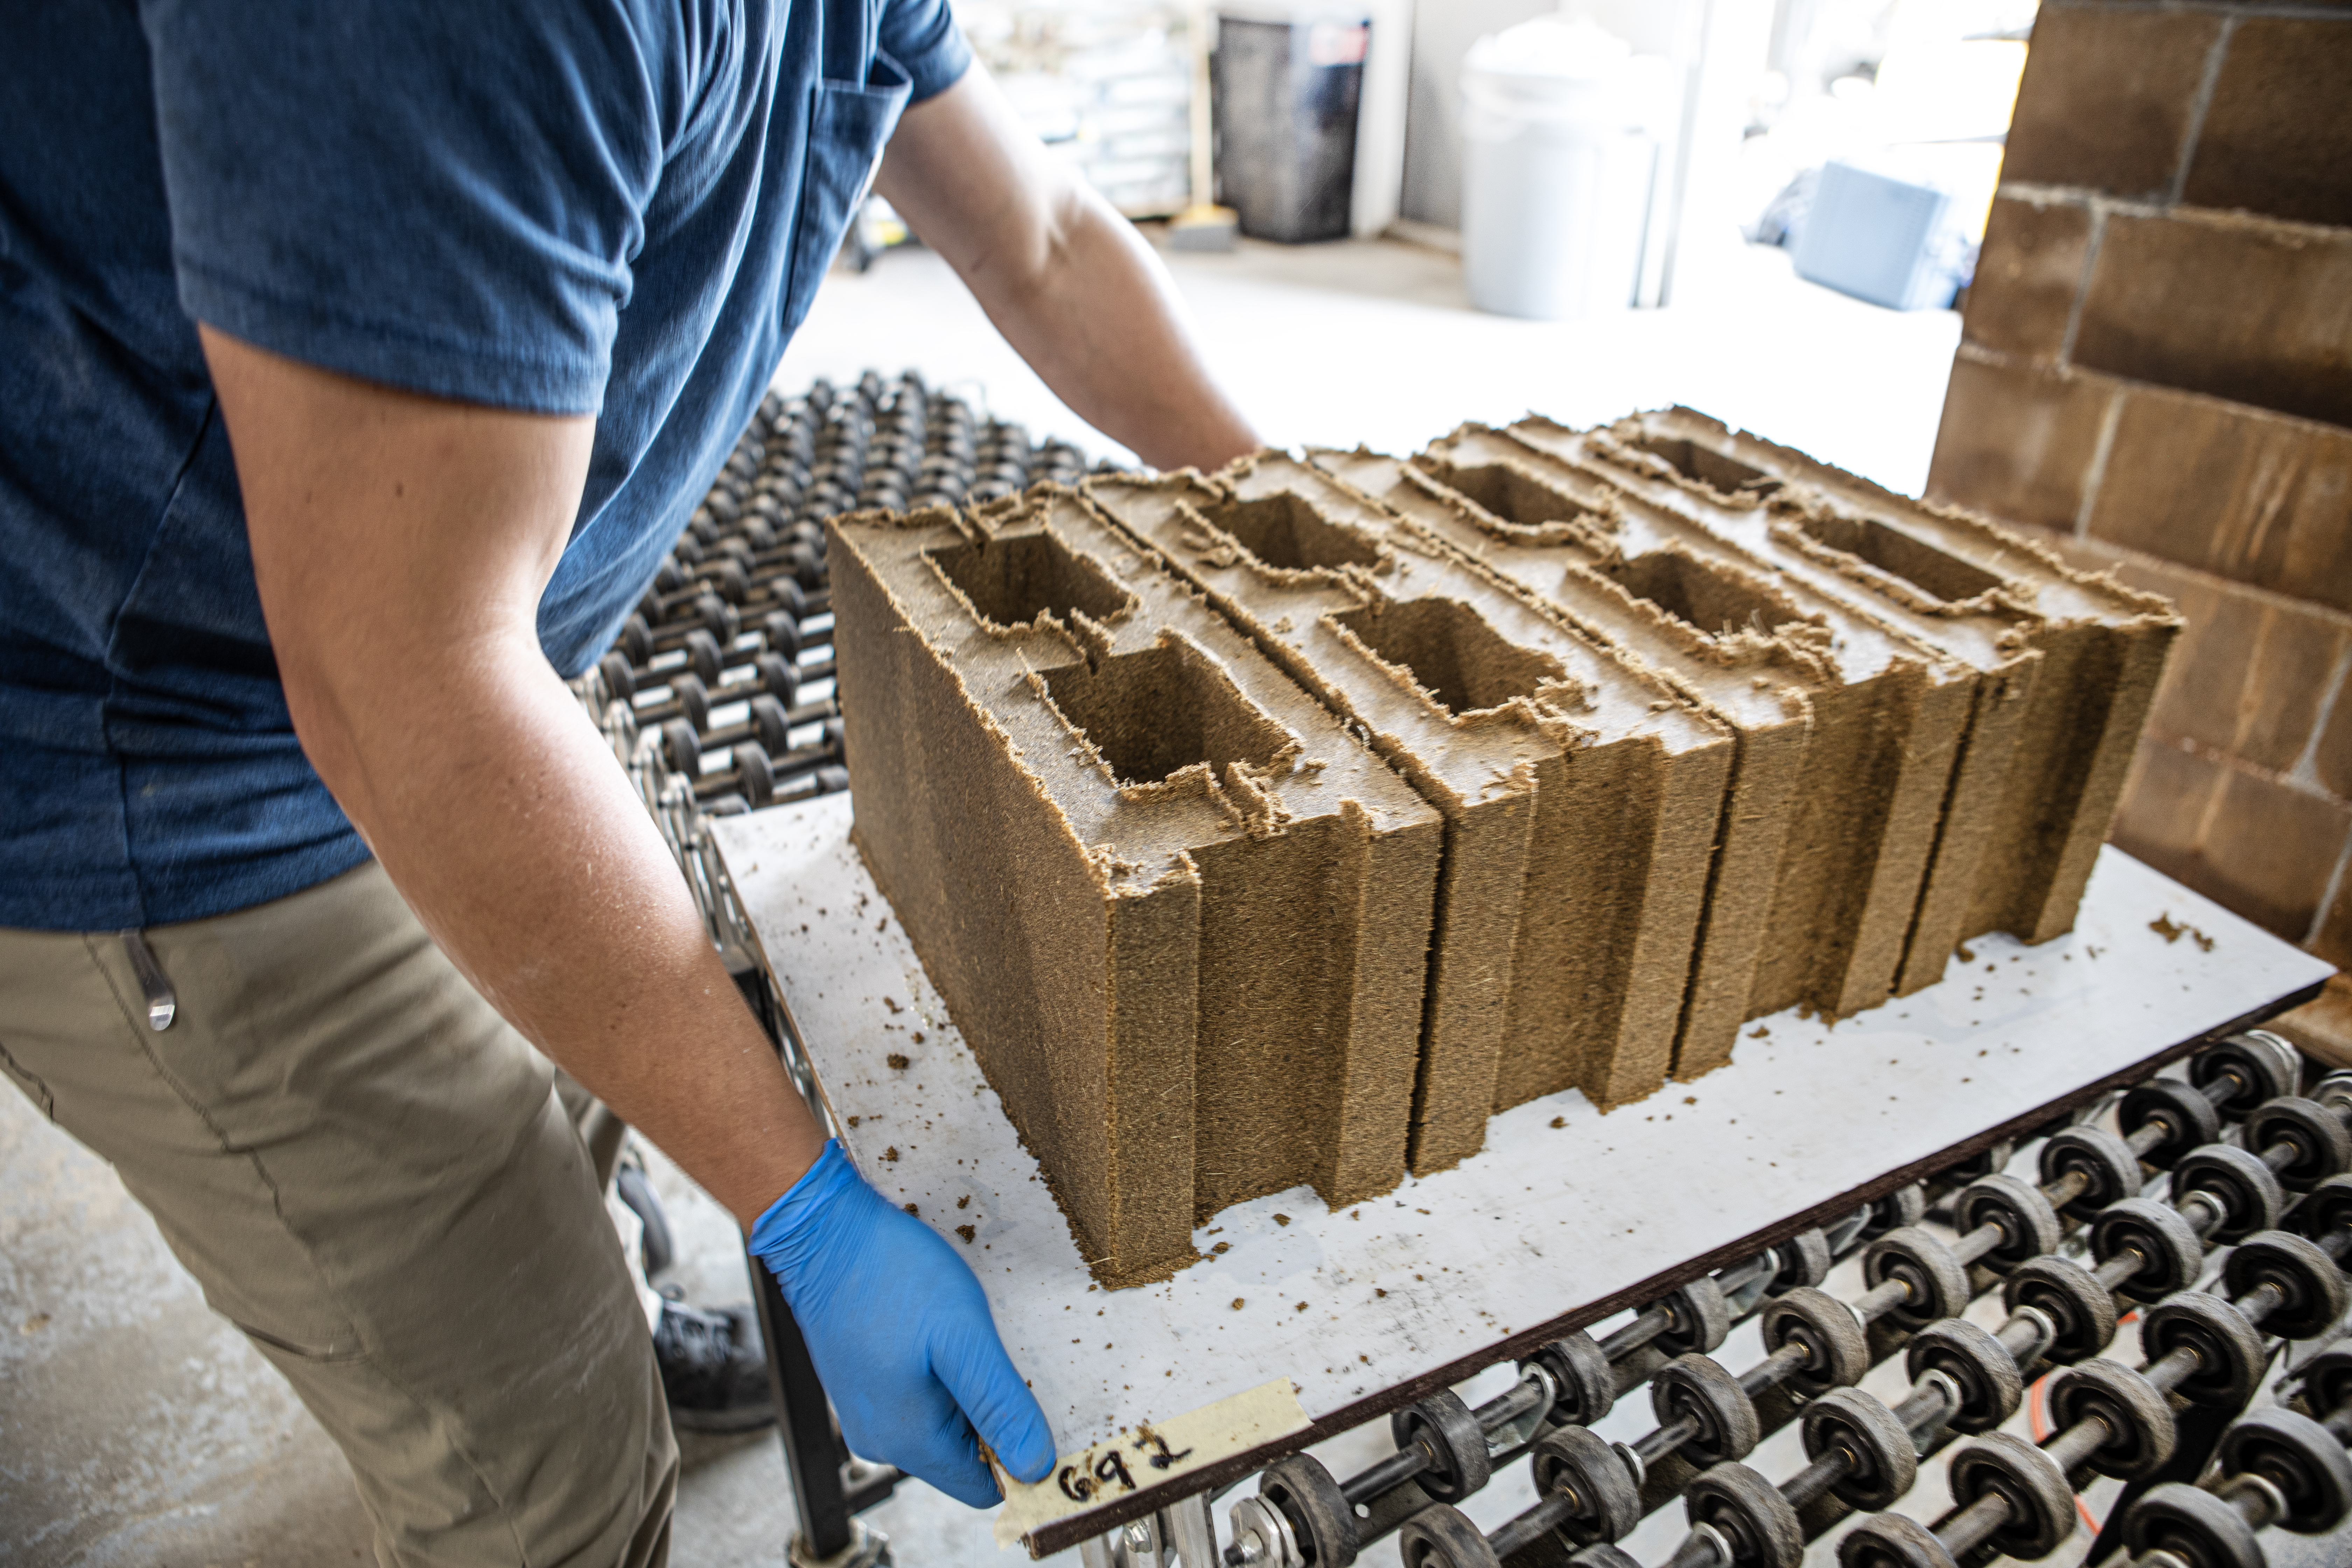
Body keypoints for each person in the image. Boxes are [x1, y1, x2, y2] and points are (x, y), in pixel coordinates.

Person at [0, 2, 1259, 1562]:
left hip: (444, 634)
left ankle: (611, 1303)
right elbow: (407, 681)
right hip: (171, 749)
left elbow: (1047, 239)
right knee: (543, 1490)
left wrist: (1276, 515)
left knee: (559, 1081)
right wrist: (808, 1209)